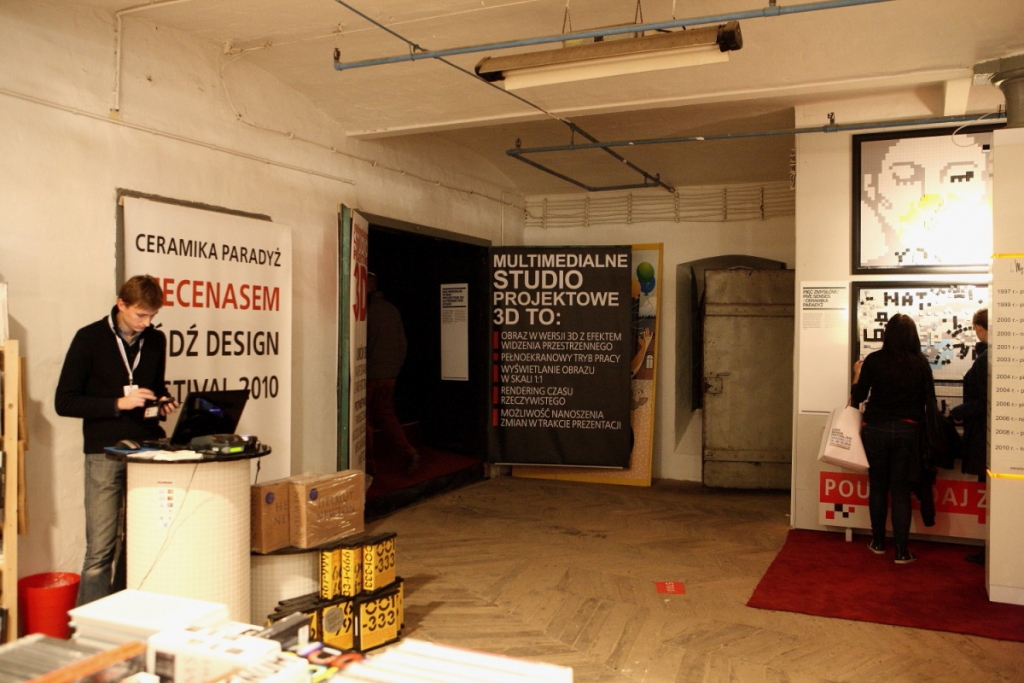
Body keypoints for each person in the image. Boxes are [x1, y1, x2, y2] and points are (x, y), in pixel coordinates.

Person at [55, 275, 178, 605]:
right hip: (105, 451)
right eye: (140, 315)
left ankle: (125, 616)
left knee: (138, 544)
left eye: (152, 315)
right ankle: (90, 628)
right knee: (101, 549)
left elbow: (155, 385)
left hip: (146, 449)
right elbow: (65, 402)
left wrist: (162, 401)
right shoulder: (89, 338)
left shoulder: (155, 340)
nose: (146, 323)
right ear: (120, 304)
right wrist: (118, 404)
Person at [851, 313, 937, 565]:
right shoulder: (920, 363)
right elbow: (928, 400)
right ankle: (901, 551)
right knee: (900, 491)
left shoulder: (874, 360)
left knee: (877, 487)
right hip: (907, 431)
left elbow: (858, 397)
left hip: (875, 429)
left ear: (887, 334)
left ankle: (877, 542)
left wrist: (857, 373)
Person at [365, 272, 419, 474]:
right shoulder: (392, 310)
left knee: (364, 419)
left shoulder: (365, 311)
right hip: (389, 374)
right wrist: (395, 367)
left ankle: (367, 465)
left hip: (370, 374)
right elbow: (402, 343)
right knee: (386, 414)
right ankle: (408, 451)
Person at [950, 307, 988, 565]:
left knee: (993, 496)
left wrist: (959, 411)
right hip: (987, 434)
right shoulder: (990, 356)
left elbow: (985, 401)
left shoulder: (987, 359)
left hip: (984, 436)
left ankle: (991, 550)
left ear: (979, 327)